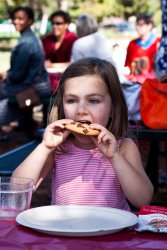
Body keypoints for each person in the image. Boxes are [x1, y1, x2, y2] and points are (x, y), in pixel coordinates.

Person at [12, 58, 153, 210]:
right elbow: (17, 189)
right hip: (66, 231)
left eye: (93, 101)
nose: (81, 110)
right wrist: (45, 147)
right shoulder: (59, 148)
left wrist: (115, 157)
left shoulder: (123, 147)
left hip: (112, 231)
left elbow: (143, 199)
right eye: (71, 100)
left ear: (113, 108)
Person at [0, 6, 51, 139]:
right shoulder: (31, 37)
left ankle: (3, 127)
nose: (16, 21)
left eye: (21, 18)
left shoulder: (26, 43)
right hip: (40, 82)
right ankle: (25, 123)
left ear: (30, 21)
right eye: (14, 18)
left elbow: (17, 76)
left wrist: (5, 76)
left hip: (34, 86)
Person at [125, 14, 160, 79]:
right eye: (136, 25)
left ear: (149, 26)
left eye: (140, 25)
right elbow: (128, 66)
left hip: (154, 83)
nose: (137, 27)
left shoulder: (159, 43)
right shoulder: (132, 44)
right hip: (135, 83)